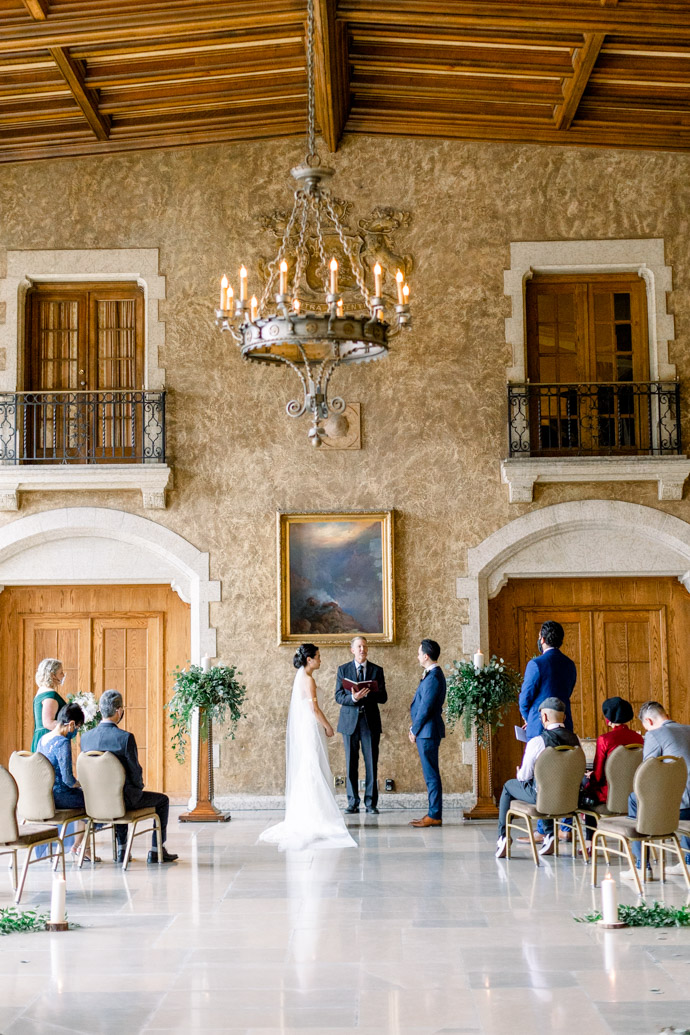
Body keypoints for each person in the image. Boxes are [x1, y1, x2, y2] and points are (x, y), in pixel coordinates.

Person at [260, 643, 356, 851]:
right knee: (312, 767)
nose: (321, 660)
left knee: (310, 767)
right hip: (311, 728)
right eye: (318, 657)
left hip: (307, 728)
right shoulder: (308, 679)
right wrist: (328, 726)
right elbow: (314, 709)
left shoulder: (302, 678)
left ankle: (308, 812)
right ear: (309, 659)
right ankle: (316, 815)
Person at [81, 690, 178, 864]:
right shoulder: (124, 738)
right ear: (118, 711)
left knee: (117, 795)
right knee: (161, 800)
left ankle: (122, 849)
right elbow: (135, 772)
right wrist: (138, 787)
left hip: (94, 802)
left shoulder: (86, 738)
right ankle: (156, 850)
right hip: (123, 799)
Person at [495, 697, 581, 859]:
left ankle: (503, 837)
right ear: (564, 717)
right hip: (570, 798)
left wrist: (519, 772)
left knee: (509, 786)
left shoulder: (538, 741)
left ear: (545, 718)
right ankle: (550, 836)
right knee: (547, 783)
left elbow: (524, 776)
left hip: (542, 797)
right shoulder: (575, 740)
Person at [622, 700, 690, 881]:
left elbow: (649, 773)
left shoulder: (655, 734)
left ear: (649, 722)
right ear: (665, 714)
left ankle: (641, 866)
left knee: (634, 798)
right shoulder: (688, 728)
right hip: (687, 804)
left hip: (679, 807)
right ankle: (689, 862)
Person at [335, 635, 387, 814]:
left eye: (364, 646)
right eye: (358, 647)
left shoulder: (376, 670)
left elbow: (383, 697)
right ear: (352, 650)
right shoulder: (343, 670)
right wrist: (353, 698)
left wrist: (366, 694)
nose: (362, 649)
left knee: (371, 763)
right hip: (349, 723)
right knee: (351, 763)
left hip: (370, 723)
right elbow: (338, 696)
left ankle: (371, 804)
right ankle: (352, 802)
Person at [37, 702, 95, 862]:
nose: (76, 732)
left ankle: (78, 846)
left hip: (44, 795)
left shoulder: (42, 739)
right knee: (92, 802)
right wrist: (80, 785)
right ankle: (83, 848)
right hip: (60, 795)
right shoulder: (62, 743)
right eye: (77, 727)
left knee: (84, 800)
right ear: (71, 724)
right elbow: (68, 780)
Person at [408, 639, 446, 828]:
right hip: (426, 731)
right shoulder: (432, 675)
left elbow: (426, 707)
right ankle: (433, 812)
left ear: (426, 656)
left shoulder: (434, 677)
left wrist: (414, 729)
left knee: (431, 774)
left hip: (427, 732)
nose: (417, 656)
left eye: (418, 653)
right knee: (430, 773)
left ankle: (435, 814)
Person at [519, 622, 577, 739]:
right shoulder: (570, 664)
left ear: (542, 639)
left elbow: (524, 699)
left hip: (539, 727)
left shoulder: (536, 664)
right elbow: (568, 691)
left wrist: (530, 720)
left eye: (539, 636)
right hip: (564, 726)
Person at [31, 658, 67, 752]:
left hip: (40, 738)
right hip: (48, 740)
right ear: (52, 675)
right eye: (61, 673)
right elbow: (48, 723)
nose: (63, 675)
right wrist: (69, 726)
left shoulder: (41, 692)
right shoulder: (50, 695)